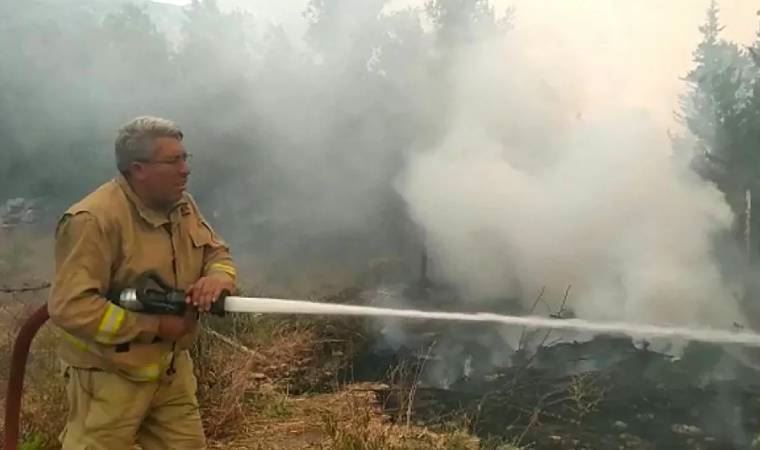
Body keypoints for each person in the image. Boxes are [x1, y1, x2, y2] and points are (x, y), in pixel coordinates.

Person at [47, 116, 238, 450]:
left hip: (171, 371)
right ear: (138, 169)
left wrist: (218, 277)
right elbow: (71, 307)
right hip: (109, 379)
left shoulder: (182, 205)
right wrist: (153, 326)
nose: (185, 170)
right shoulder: (92, 221)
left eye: (185, 158)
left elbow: (215, 251)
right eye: (173, 160)